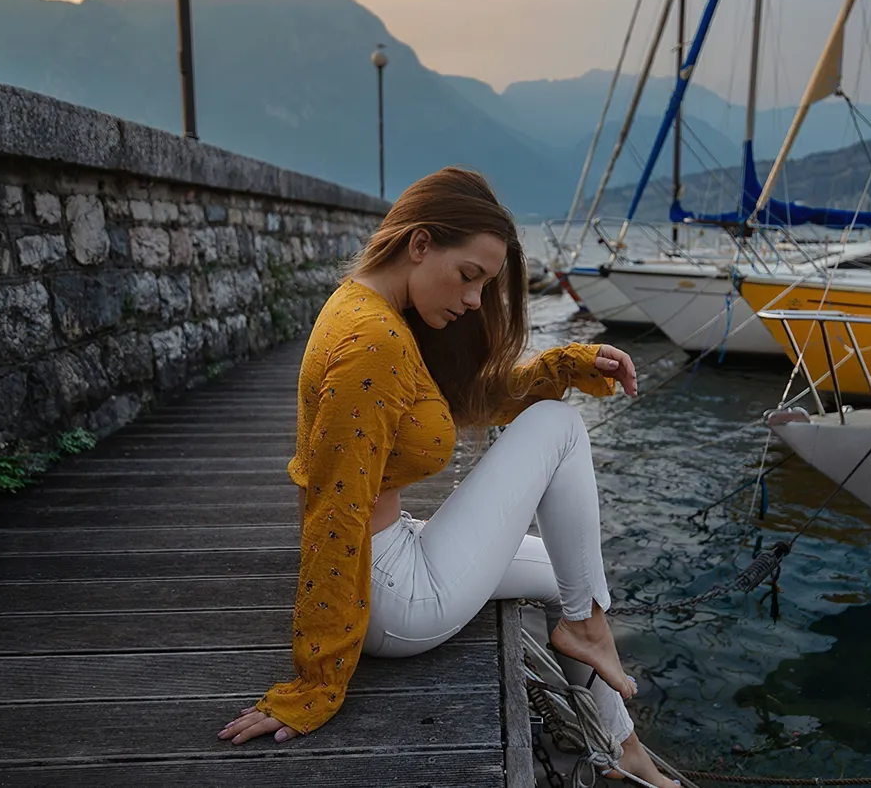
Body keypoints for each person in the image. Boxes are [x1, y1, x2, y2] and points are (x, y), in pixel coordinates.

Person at [217, 167, 677, 787]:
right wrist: (316, 683)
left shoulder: (376, 310)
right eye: (470, 278)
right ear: (420, 244)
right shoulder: (371, 341)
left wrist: (563, 364)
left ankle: (621, 751)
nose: (473, 301)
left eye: (484, 286)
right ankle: (587, 636)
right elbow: (335, 509)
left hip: (395, 556)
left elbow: (460, 401)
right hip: (390, 597)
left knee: (563, 573)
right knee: (558, 428)